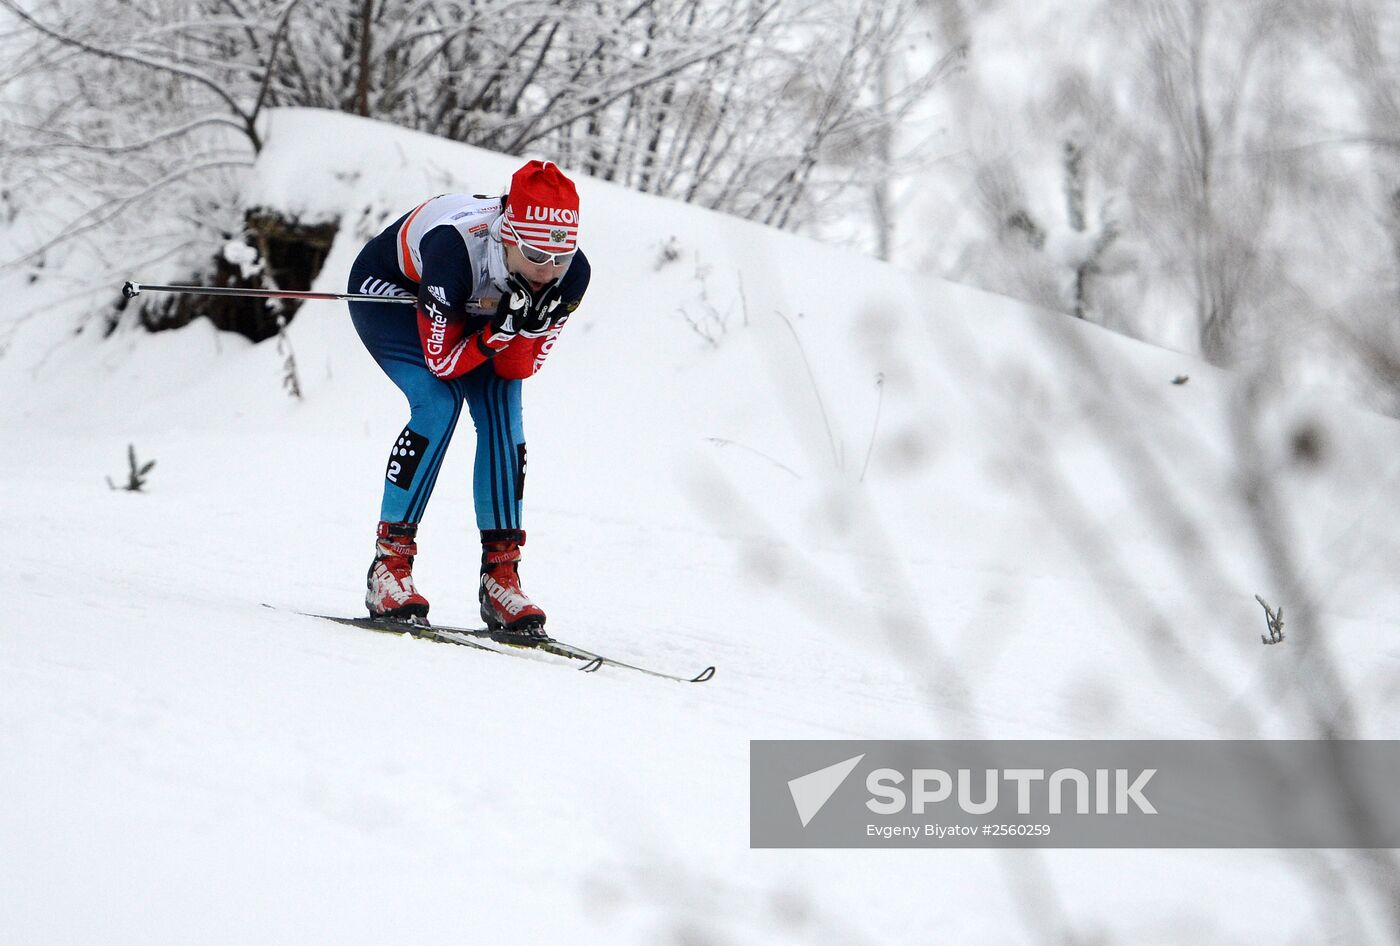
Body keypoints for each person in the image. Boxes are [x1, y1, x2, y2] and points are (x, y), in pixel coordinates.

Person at [345, 160, 589, 641]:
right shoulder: (456, 248)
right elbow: (441, 362)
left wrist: (525, 329)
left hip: (478, 309)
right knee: (438, 403)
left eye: (560, 258)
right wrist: (499, 332)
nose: (548, 271)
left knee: (503, 415)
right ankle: (388, 568)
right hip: (398, 289)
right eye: (537, 255)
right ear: (508, 236)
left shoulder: (571, 274)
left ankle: (501, 578)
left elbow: (519, 369)